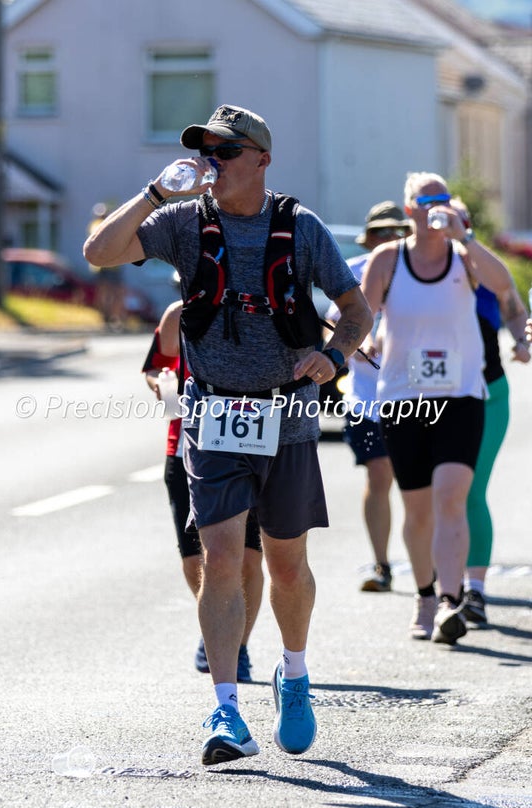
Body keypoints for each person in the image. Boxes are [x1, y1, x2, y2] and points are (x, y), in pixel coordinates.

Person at [84, 104, 372, 765]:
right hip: (212, 415)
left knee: (286, 565)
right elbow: (99, 253)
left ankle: (294, 672)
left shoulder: (301, 228)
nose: (212, 160)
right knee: (219, 561)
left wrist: (334, 358)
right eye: (205, 148)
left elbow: (353, 309)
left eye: (226, 150)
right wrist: (157, 191)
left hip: (290, 414)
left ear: (262, 159)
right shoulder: (184, 222)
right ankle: (227, 709)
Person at [361, 171, 513, 646]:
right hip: (404, 399)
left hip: (460, 394)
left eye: (441, 200)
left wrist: (464, 236)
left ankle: (451, 601)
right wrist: (367, 340)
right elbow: (362, 316)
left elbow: (504, 286)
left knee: (452, 495)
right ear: (409, 210)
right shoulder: (388, 260)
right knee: (418, 507)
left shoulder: (464, 257)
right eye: (425, 202)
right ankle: (424, 594)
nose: (433, 208)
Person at [143, 298, 264, 681]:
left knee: (247, 557)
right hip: (186, 449)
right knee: (196, 560)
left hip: (251, 442)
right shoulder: (177, 313)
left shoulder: (260, 305)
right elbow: (157, 367)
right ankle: (215, 629)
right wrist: (167, 391)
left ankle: (238, 646)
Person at [449, 200, 531, 625]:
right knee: (433, 495)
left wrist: (523, 341)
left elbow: (515, 309)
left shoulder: (485, 267)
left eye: (457, 220)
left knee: (469, 489)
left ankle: (474, 589)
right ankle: (441, 590)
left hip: (488, 393)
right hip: (429, 399)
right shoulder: (409, 264)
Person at [326, 202, 410, 592]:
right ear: (369, 238)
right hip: (367, 397)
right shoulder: (354, 271)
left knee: (421, 485)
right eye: (382, 233)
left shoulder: (422, 269)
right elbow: (331, 326)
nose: (391, 240)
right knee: (379, 477)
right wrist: (356, 343)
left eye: (398, 232)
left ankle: (438, 567)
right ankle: (382, 564)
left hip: (419, 396)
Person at [87, 202, 127, 330]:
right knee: (105, 294)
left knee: (115, 293)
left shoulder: (107, 225)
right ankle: (106, 317)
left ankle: (113, 317)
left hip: (112, 265)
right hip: (102, 266)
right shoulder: (96, 225)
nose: (103, 217)